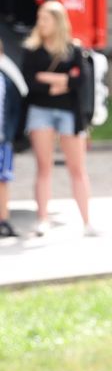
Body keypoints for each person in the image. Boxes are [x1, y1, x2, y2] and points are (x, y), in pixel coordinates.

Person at [21, 0, 94, 237]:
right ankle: (43, 219)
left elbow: (80, 80)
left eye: (46, 19)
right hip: (40, 111)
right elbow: (30, 81)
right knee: (44, 167)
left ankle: (87, 222)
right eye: (39, 18)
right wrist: (63, 81)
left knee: (77, 168)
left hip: (69, 113)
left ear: (58, 22)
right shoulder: (32, 49)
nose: (41, 23)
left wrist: (48, 79)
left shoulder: (74, 50)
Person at [0, 37, 26, 237]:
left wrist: (13, 136)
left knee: (3, 179)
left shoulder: (7, 77)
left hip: (3, 139)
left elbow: (17, 108)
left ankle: (3, 220)